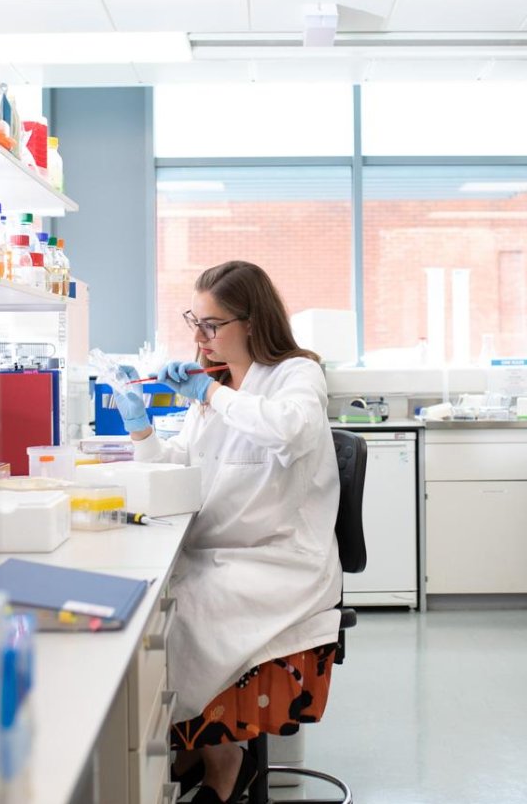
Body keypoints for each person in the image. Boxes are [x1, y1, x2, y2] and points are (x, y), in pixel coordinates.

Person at [111, 260, 342, 804]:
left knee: (180, 612)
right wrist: (140, 427)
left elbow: (290, 430)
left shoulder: (296, 375)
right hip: (221, 551)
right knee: (155, 599)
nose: (198, 336)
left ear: (252, 322)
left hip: (276, 562)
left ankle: (222, 766)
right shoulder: (217, 386)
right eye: (196, 321)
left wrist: (209, 395)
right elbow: (182, 466)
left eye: (211, 324)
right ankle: (186, 751)